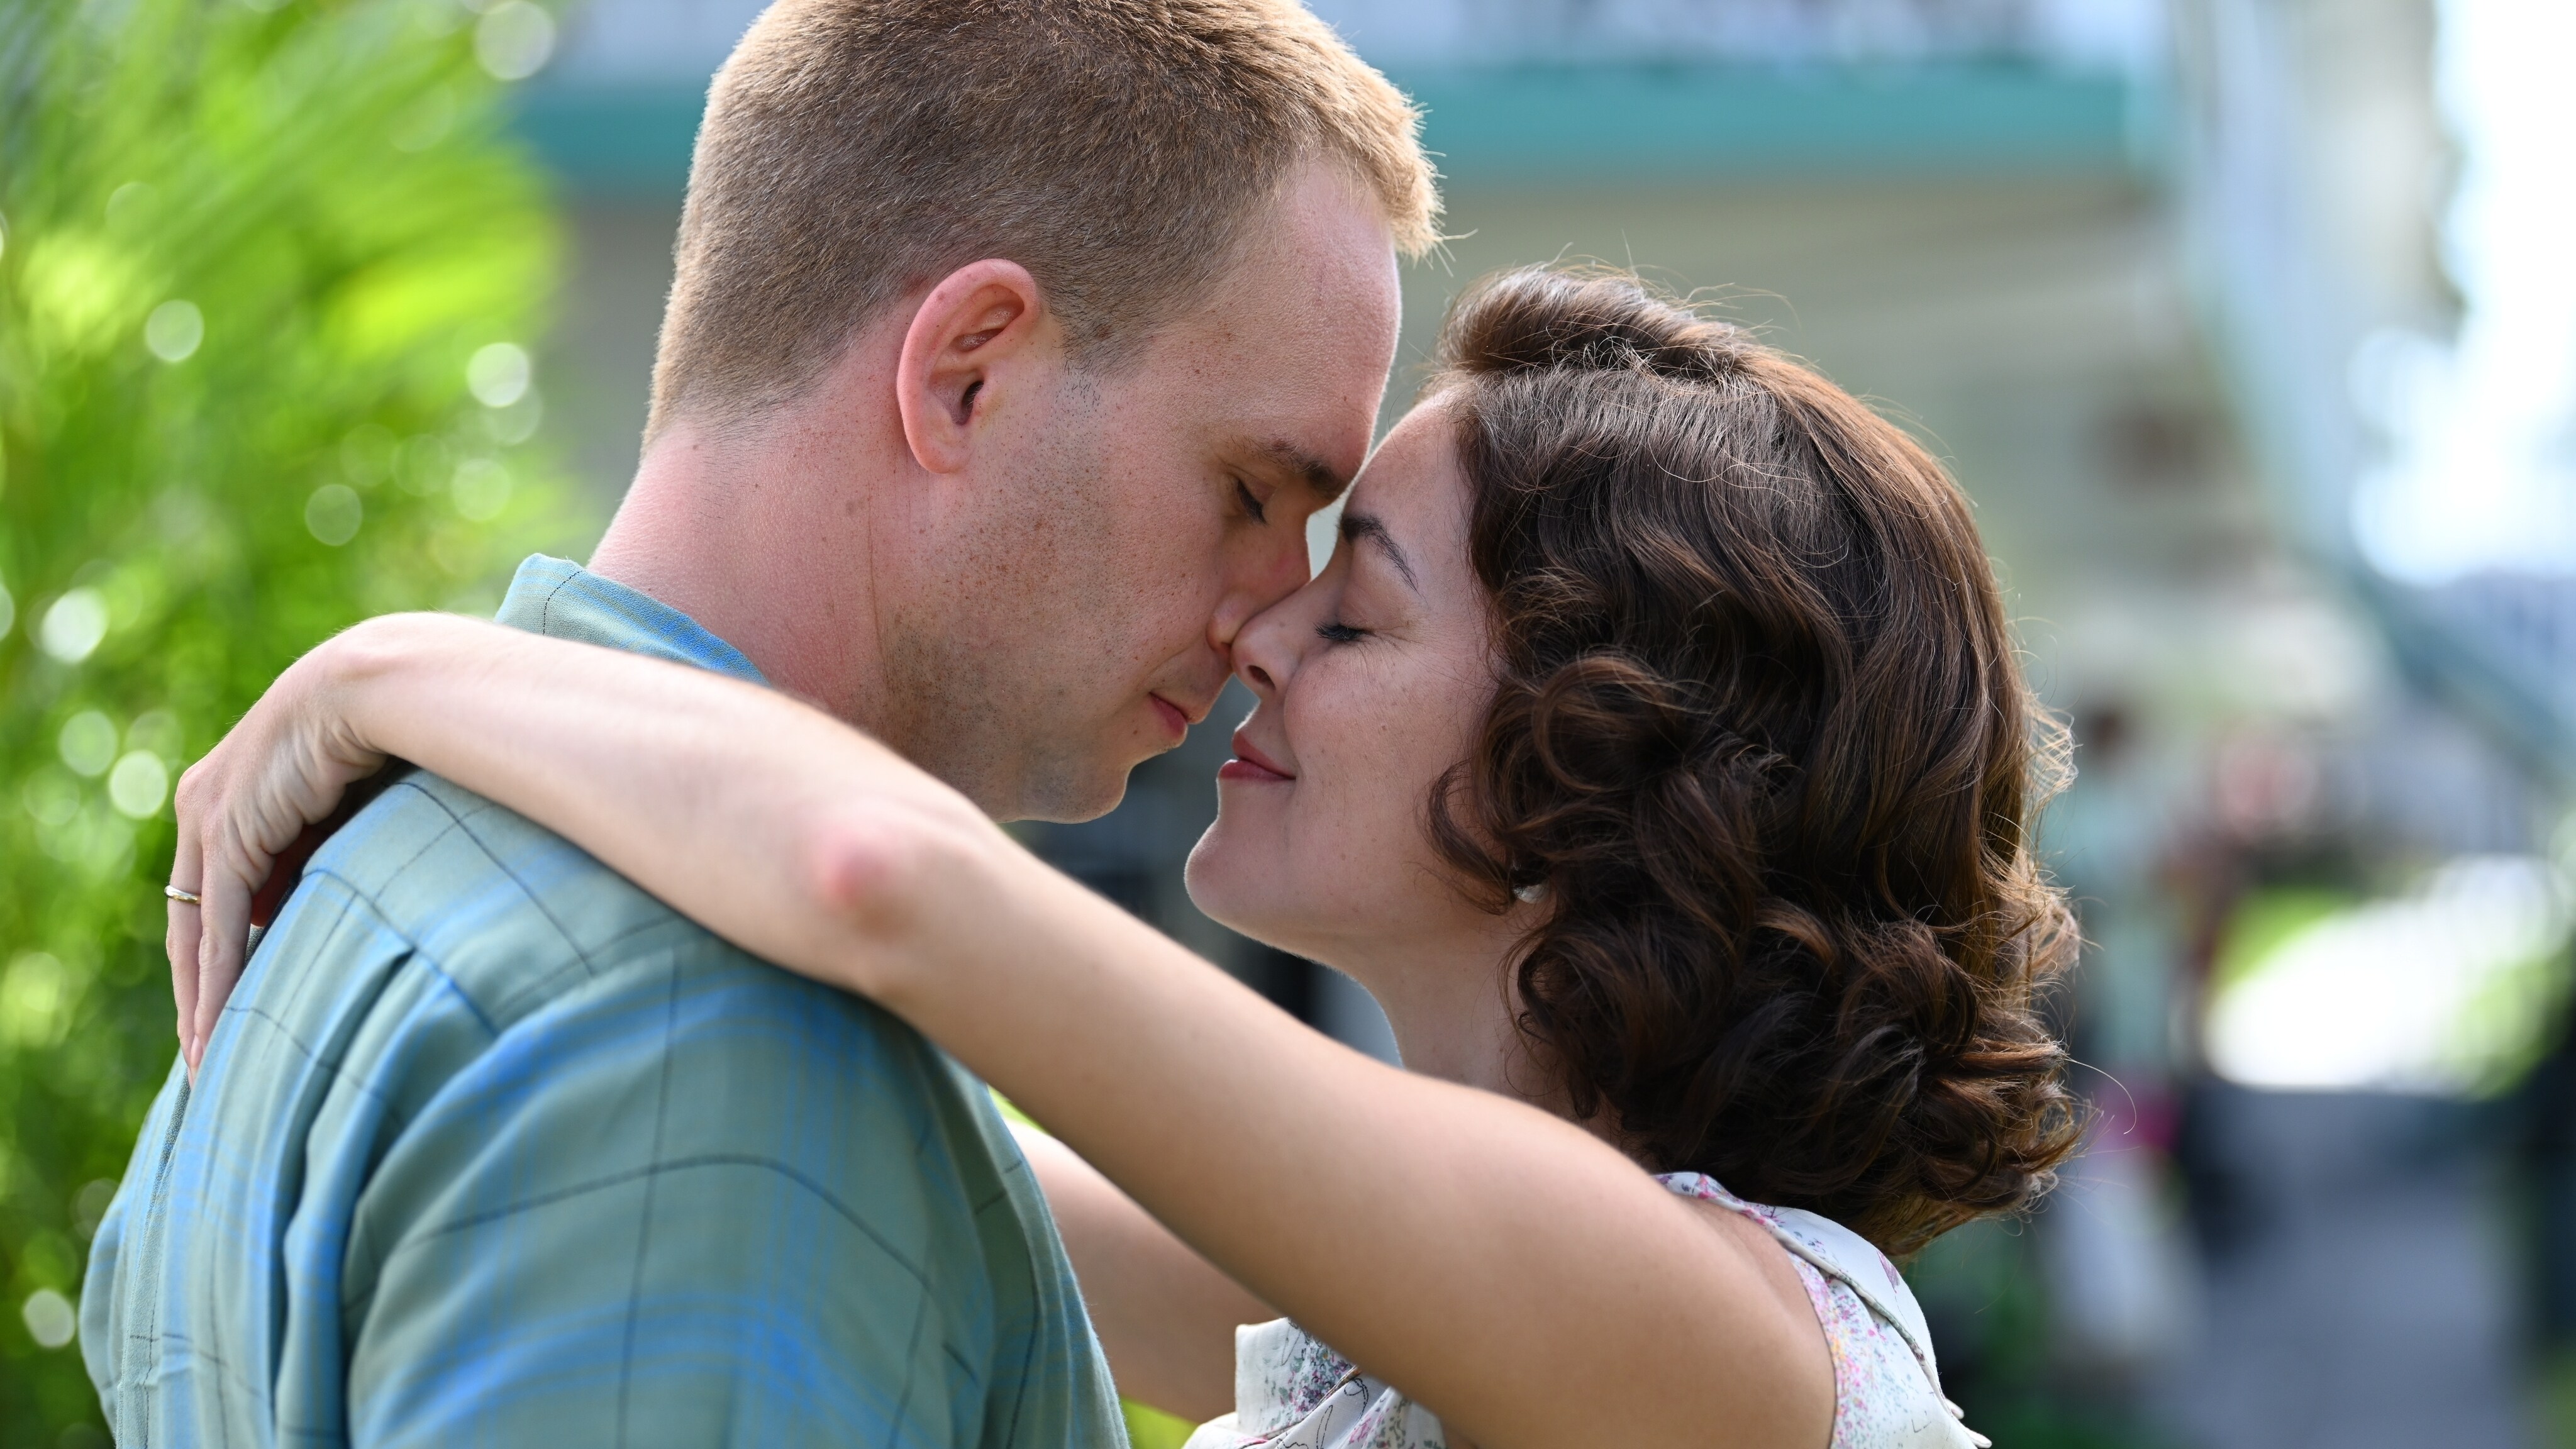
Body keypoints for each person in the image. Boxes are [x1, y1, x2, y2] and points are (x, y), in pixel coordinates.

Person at [164, 267, 2081, 1449]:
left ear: (1598, 766)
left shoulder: (1716, 1336)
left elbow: (878, 889)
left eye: (1356, 613)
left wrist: (392, 672)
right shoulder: (1392, 1304)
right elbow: (874, 1113)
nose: (1259, 631)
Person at [79, 1, 1437, 1442]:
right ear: (966, 372)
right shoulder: (709, 1042)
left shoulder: (345, 892)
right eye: (1248, 491)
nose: (1267, 613)